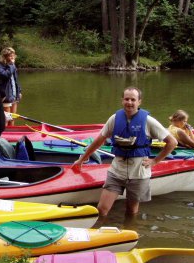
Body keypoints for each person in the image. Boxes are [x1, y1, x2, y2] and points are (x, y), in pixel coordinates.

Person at [72, 86, 177, 217]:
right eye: (127, 99)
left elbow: (172, 142)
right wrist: (82, 158)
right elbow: (98, 140)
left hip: (138, 172)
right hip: (117, 170)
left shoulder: (149, 121)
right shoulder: (114, 119)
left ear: (139, 102)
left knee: (131, 211)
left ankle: (129, 233)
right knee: (102, 209)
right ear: (122, 100)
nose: (129, 102)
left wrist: (155, 161)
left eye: (133, 99)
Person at [0, 47, 22, 126]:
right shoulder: (0, 66)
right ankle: (4, 134)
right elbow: (6, 75)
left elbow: (16, 80)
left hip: (14, 94)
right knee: (6, 119)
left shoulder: (13, 65)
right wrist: (11, 65)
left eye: (13, 55)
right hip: (5, 95)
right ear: (5, 56)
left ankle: (12, 135)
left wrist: (19, 91)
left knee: (12, 118)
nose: (12, 57)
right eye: (10, 55)